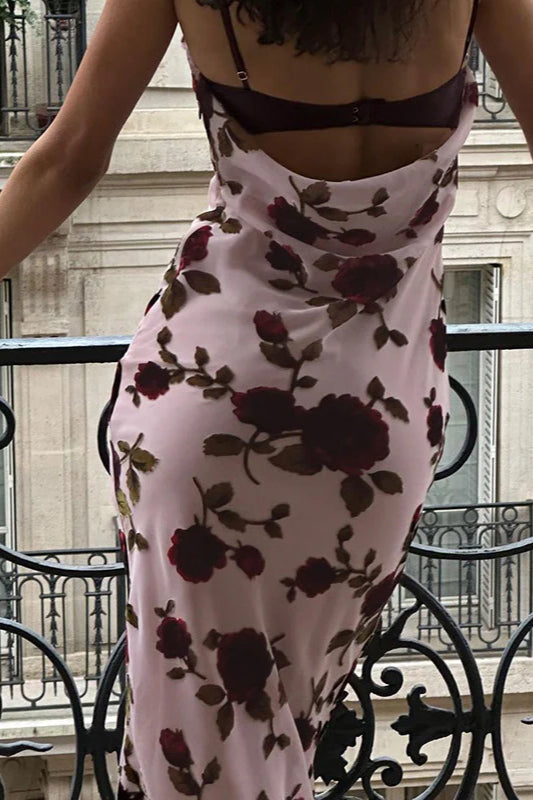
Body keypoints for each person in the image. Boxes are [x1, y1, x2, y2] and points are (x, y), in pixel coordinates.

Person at [0, 1, 532, 798]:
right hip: (375, 423)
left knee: (206, 734)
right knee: (280, 721)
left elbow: (66, 162)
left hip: (201, 399)